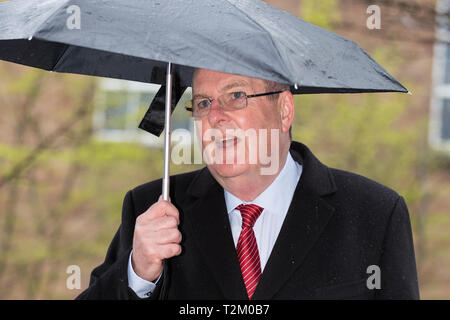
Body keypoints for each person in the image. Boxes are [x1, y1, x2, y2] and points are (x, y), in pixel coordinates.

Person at [77, 68, 419, 300]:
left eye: (236, 96)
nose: (215, 116)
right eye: (203, 103)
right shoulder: (155, 207)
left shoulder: (373, 213)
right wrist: (137, 275)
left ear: (284, 110)